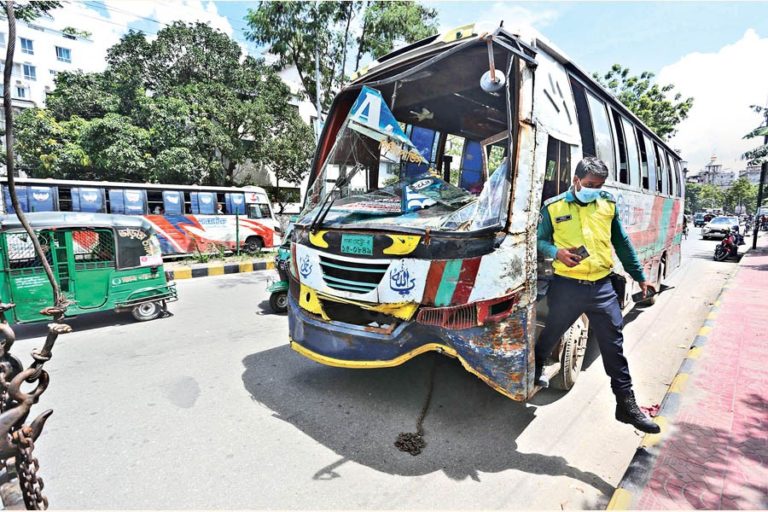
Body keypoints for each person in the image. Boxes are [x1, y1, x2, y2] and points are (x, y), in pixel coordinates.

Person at [536, 156, 660, 434]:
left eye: (600, 184)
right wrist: (556, 252)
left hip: (602, 288)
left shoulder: (607, 204)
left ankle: (626, 405)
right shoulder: (553, 207)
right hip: (567, 286)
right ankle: (538, 365)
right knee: (552, 331)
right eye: (590, 184)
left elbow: (622, 243)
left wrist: (640, 277)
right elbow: (539, 239)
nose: (594, 189)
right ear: (576, 181)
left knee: (613, 345)